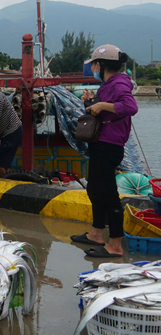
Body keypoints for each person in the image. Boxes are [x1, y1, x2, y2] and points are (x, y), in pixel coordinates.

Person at [71, 44, 138, 258]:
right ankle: (96, 234)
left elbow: (130, 107)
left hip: (109, 146)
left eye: (93, 65)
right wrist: (92, 104)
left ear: (100, 65)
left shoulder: (119, 84)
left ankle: (115, 245)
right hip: (100, 143)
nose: (93, 69)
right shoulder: (108, 85)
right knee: (95, 190)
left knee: (108, 195)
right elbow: (104, 114)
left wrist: (102, 106)